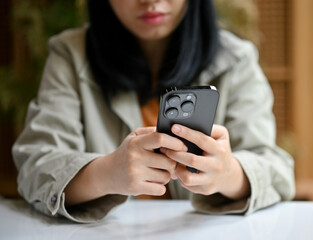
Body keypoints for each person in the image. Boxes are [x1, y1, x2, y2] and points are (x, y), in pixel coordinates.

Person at [12, 0, 295, 223]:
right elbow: (35, 163)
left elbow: (277, 170)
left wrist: (230, 174)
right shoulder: (69, 55)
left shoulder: (236, 59)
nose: (150, 1)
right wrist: (105, 172)